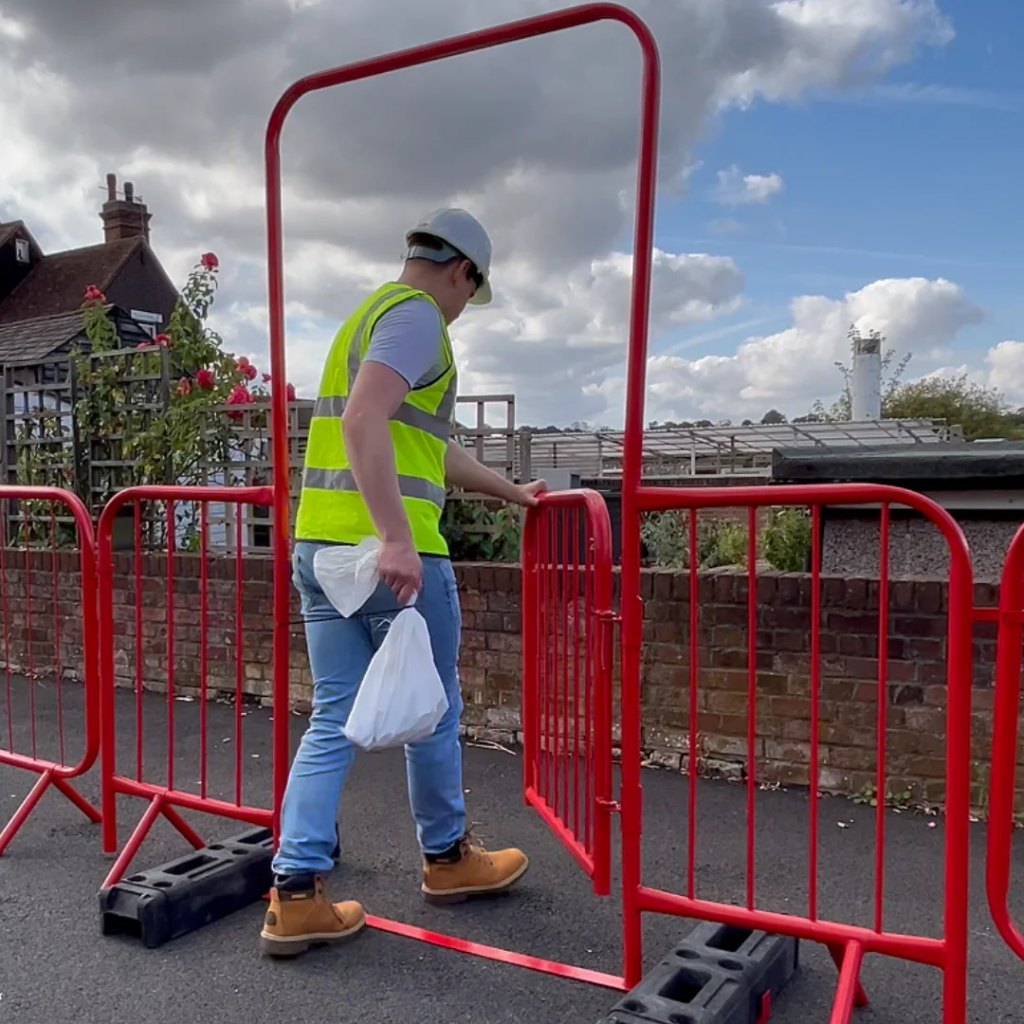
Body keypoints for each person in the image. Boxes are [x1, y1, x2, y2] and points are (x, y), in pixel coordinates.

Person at [260, 208, 548, 957]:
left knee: (332, 717)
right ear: (463, 272)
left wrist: (512, 492)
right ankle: (448, 859)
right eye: (469, 294)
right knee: (435, 708)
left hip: (321, 550)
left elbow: (422, 445)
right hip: (389, 556)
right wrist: (395, 535)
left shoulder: (366, 318)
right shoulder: (420, 319)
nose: (463, 310)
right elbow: (364, 420)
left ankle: (295, 894)